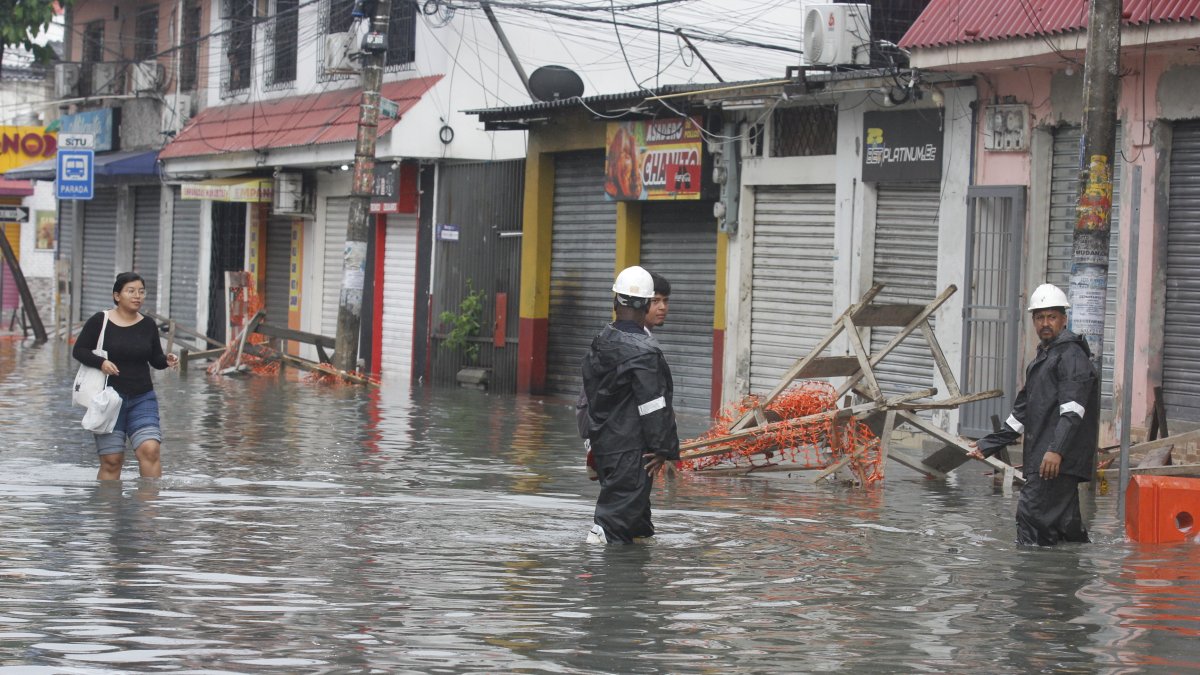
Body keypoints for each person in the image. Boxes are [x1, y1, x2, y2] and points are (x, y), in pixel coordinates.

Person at [967, 283, 1099, 546]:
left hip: (1054, 460)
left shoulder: (1071, 356)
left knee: (1030, 517)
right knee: (1066, 528)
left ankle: (1027, 583)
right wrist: (989, 444)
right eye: (1040, 317)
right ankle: (1068, 579)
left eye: (1052, 316)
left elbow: (1073, 412)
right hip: (1046, 457)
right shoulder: (1044, 357)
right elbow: (1023, 411)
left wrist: (1056, 451)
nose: (1045, 323)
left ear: (1064, 319)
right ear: (1033, 321)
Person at [580, 265, 680, 544]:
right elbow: (653, 406)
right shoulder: (644, 352)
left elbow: (588, 397)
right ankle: (598, 569)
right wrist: (664, 449)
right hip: (632, 453)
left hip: (605, 445)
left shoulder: (601, 341)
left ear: (615, 301)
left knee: (637, 527)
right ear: (647, 303)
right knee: (611, 527)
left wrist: (591, 442)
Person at [73, 272, 178, 480]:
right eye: (131, 291)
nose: (137, 296)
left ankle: (149, 507)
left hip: (142, 397)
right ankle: (108, 510)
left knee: (150, 450)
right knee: (112, 461)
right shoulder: (100, 321)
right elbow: (79, 350)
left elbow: (155, 358)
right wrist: (101, 362)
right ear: (117, 295)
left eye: (141, 291)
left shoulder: (148, 324)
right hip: (109, 400)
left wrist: (166, 360)